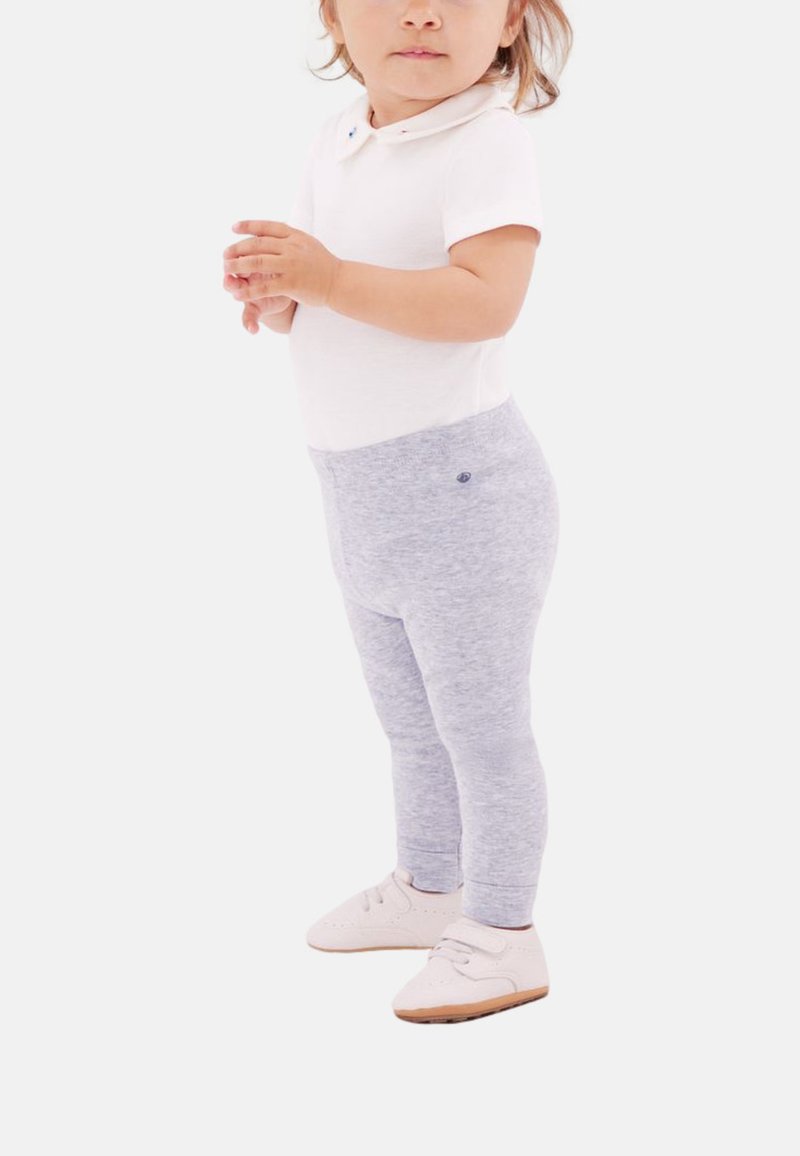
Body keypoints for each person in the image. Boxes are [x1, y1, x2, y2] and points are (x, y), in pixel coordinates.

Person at [221, 0, 572, 1024]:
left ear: (509, 21)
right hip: (359, 496)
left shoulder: (483, 141)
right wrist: (285, 293)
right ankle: (431, 886)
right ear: (334, 14)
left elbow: (484, 301)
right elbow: (340, 294)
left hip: (462, 496)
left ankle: (502, 931)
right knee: (410, 724)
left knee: (481, 729)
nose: (420, 11)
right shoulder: (340, 138)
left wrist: (327, 277)